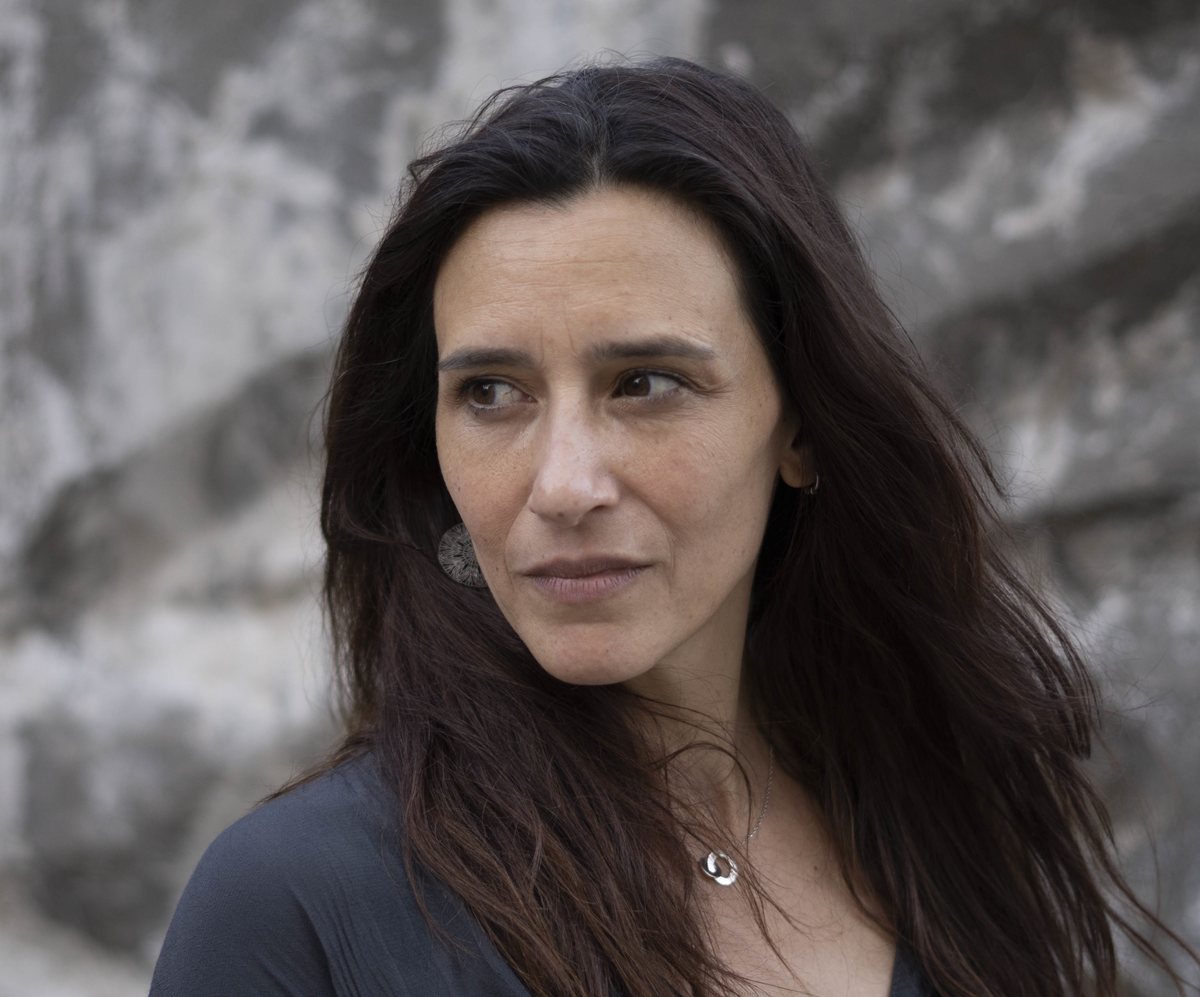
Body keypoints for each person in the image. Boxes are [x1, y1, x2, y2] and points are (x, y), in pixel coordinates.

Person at [149, 59, 1193, 997]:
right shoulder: (299, 905)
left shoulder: (936, 828)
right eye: (492, 393)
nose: (564, 484)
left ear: (802, 425)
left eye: (644, 382)